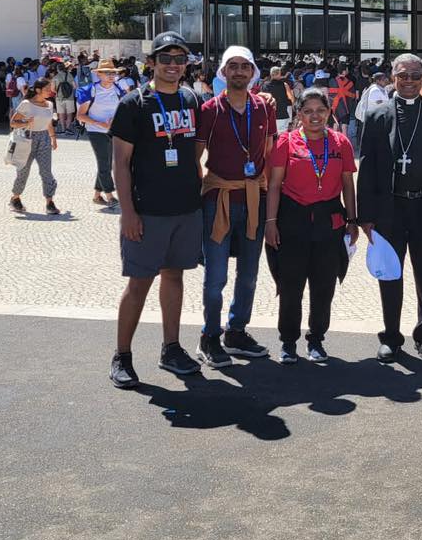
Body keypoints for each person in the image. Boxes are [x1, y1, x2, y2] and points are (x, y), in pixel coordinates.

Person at [108, 31, 203, 388]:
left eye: (180, 59)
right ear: (151, 62)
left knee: (175, 276)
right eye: (165, 58)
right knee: (139, 283)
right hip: (147, 211)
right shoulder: (133, 104)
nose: (173, 65)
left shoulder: (191, 99)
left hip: (185, 208)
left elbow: (195, 153)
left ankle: (171, 348)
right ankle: (122, 355)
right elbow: (120, 163)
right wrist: (128, 212)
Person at [357, 52, 422, 362]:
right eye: (402, 75)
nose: (409, 81)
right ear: (393, 78)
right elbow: (367, 167)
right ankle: (391, 337)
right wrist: (365, 216)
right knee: (390, 274)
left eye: (415, 76)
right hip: (389, 208)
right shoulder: (377, 115)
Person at [265, 88, 359, 363]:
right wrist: (270, 222)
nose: (314, 116)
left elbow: (348, 184)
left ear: (329, 112)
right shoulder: (286, 142)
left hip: (328, 222)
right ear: (299, 114)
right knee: (290, 285)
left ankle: (316, 339)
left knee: (324, 285)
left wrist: (352, 220)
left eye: (320, 110)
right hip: (292, 220)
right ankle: (288, 341)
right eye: (308, 111)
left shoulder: (341, 142)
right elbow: (274, 185)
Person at [196, 46, 275, 366]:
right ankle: (210, 336)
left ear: (253, 72)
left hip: (254, 198)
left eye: (245, 66)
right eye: (233, 66)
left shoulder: (264, 107)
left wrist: (270, 198)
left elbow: (269, 153)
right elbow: (195, 159)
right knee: (216, 276)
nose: (239, 71)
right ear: (223, 72)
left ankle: (236, 331)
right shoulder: (210, 110)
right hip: (219, 200)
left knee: (249, 274)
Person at [77, 59, 128, 206]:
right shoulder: (90, 91)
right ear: (98, 74)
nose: (111, 75)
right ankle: (110, 195)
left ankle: (97, 195)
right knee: (104, 163)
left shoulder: (118, 90)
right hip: (96, 131)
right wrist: (100, 123)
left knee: (107, 163)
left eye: (113, 73)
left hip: (113, 131)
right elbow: (80, 116)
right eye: (106, 73)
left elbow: (124, 109)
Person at [8, 77, 60, 214]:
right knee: (23, 171)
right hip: (27, 138)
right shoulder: (26, 104)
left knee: (46, 171)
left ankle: (49, 202)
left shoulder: (49, 104)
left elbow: (49, 123)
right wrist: (26, 123)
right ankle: (15, 198)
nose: (50, 91)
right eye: (47, 89)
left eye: (50, 88)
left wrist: (53, 138)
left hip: (44, 138)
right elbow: (13, 123)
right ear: (38, 90)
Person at [262, 66, 294, 134]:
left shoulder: (264, 85)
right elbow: (291, 98)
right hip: (282, 114)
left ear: (271, 74)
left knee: (270, 136)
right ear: (279, 74)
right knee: (282, 136)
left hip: (269, 115)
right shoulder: (284, 85)